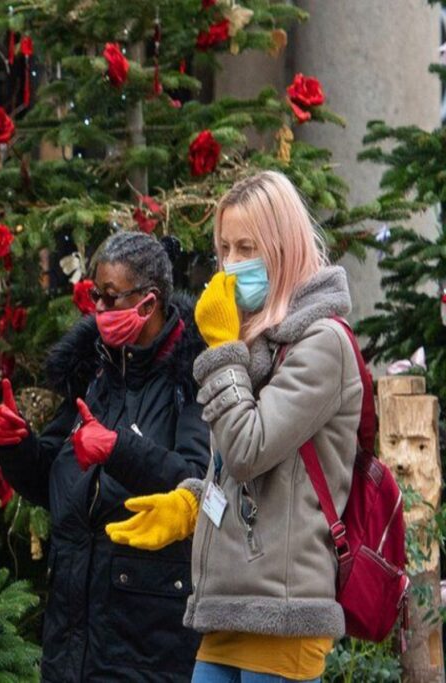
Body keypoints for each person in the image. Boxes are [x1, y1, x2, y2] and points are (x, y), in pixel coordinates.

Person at [107, 170, 361, 683]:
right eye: (225, 249)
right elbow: (241, 471)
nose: (232, 264)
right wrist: (192, 504)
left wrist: (223, 352)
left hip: (284, 611)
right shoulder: (255, 342)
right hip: (228, 604)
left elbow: (249, 448)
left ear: (284, 248)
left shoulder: (323, 343)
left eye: (249, 247)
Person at [0, 231, 210, 681]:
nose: (98, 311)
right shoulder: (93, 370)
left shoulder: (194, 377)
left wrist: (117, 448)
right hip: (71, 637)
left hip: (148, 640)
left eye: (109, 298)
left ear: (148, 304)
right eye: (94, 296)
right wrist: (16, 448)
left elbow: (198, 483)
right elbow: (56, 483)